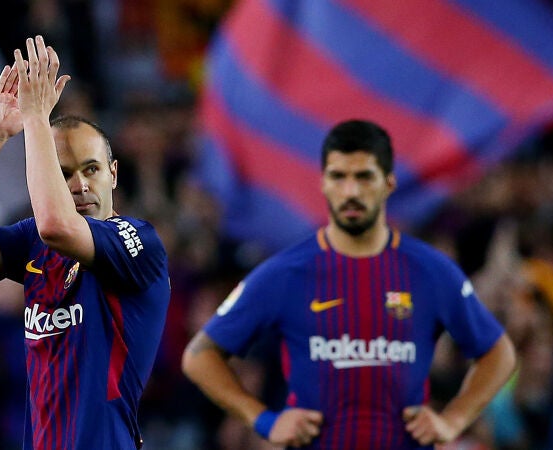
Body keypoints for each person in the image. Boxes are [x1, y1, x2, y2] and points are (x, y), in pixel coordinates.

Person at [182, 119, 517, 449]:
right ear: (323, 183)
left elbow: (498, 353)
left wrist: (453, 420)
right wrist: (265, 420)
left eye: (364, 177)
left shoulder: (431, 272)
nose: (351, 191)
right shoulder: (286, 273)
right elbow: (200, 356)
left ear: (389, 183)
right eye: (338, 177)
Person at [0, 36, 170, 449]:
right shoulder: (35, 242)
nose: (80, 185)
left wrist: (37, 119)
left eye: (91, 169)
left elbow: (57, 225)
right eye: (62, 174)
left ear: (114, 173)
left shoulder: (137, 242)